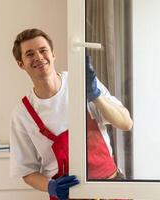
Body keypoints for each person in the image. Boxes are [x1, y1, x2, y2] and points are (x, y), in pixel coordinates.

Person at [10, 28, 133, 200]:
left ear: (53, 54)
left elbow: (126, 123)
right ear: (21, 63)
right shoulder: (22, 114)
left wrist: (96, 96)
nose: (38, 57)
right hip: (69, 196)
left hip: (110, 188)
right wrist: (51, 187)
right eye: (29, 54)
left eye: (43, 50)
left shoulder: (82, 81)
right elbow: (27, 171)